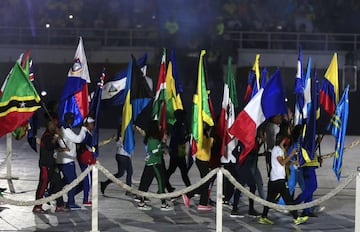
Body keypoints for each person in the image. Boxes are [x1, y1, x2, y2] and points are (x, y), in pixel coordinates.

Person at [258, 132, 309, 225]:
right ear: (282, 139)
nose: (287, 140)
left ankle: (263, 217)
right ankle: (296, 218)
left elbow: (283, 163)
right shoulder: (277, 150)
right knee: (288, 199)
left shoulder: (280, 149)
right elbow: (282, 162)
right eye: (286, 139)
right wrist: (292, 154)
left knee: (270, 199)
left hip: (274, 179)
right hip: (279, 179)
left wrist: (293, 162)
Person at [33, 119, 69, 213]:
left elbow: (55, 147)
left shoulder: (52, 136)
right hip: (46, 165)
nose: (56, 127)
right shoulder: (46, 136)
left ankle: (60, 205)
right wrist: (57, 136)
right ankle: (37, 206)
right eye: (54, 125)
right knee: (43, 185)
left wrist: (64, 149)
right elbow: (49, 146)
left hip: (53, 164)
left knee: (58, 184)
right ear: (49, 125)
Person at [136, 120, 173, 211]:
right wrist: (163, 150)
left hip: (151, 163)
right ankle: (163, 204)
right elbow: (155, 152)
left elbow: (158, 147)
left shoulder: (153, 138)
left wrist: (164, 144)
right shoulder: (153, 139)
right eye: (159, 126)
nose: (160, 127)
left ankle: (141, 202)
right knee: (161, 182)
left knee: (146, 183)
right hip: (155, 164)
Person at [56, 112, 87, 210]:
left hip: (62, 159)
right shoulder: (66, 129)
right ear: (69, 119)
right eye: (72, 119)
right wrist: (84, 129)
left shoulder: (63, 127)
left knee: (65, 180)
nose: (73, 120)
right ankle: (71, 202)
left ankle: (51, 191)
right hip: (67, 161)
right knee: (73, 182)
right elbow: (78, 139)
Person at [182, 123, 214, 210]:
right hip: (202, 160)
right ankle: (189, 194)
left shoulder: (203, 135)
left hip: (203, 159)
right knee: (206, 182)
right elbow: (204, 147)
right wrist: (211, 140)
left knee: (206, 182)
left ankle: (203, 203)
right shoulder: (202, 136)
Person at [101, 126, 133, 195]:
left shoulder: (121, 134)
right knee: (127, 173)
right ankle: (128, 190)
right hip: (123, 156)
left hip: (121, 155)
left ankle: (105, 183)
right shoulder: (124, 135)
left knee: (122, 173)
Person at [165, 109, 191, 192]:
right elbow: (179, 140)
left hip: (179, 150)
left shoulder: (180, 125)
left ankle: (166, 185)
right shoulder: (178, 126)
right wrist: (188, 138)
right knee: (176, 171)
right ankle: (189, 188)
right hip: (176, 151)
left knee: (177, 171)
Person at [77, 116, 97, 206]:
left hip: (87, 157)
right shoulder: (84, 132)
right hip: (85, 159)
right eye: (91, 123)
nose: (93, 125)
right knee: (87, 180)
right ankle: (85, 200)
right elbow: (81, 143)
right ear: (87, 124)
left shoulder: (87, 132)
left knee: (88, 179)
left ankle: (72, 194)